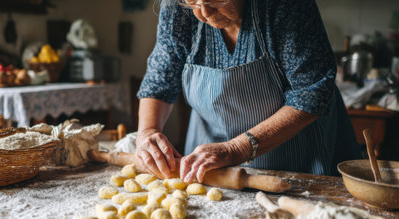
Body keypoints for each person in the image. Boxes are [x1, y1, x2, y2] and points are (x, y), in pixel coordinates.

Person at [136, 0, 361, 183]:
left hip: (299, 164)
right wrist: (147, 132)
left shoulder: (286, 6)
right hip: (209, 166)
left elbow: (311, 93)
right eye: (192, 1)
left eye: (217, 0)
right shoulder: (177, 8)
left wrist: (235, 148)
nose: (203, 12)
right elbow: (159, 82)